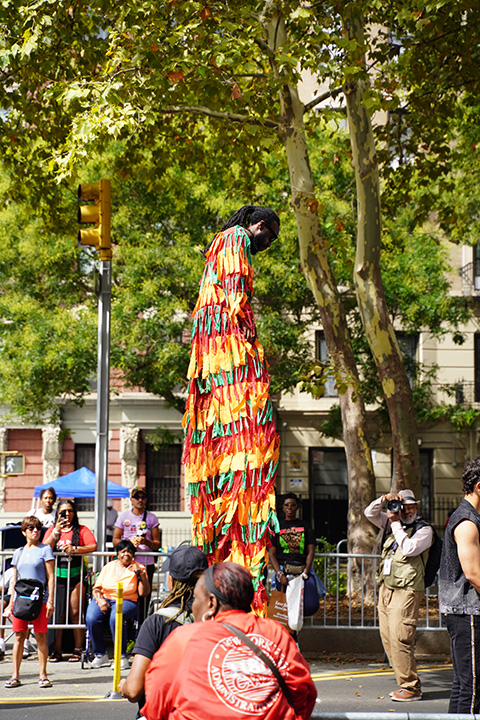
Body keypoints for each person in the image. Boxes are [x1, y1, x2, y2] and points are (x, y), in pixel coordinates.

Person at [183, 205, 281, 611]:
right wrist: (247, 338)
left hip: (212, 355)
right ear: (257, 225)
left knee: (222, 435)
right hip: (227, 348)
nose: (268, 242)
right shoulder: (237, 239)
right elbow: (236, 290)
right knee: (245, 436)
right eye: (269, 235)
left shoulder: (218, 245)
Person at [142, 562, 317, 720]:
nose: (193, 605)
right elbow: (304, 694)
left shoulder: (183, 639)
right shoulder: (275, 633)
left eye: (196, 598)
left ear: (211, 603)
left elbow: (155, 706)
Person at [119, 545, 208, 712]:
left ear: (171, 581)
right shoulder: (215, 619)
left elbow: (134, 691)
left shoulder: (156, 623)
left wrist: (124, 685)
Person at [364, 489, 433, 702]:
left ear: (417, 507)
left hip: (407, 590)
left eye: (411, 507)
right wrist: (384, 499)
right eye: (404, 507)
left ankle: (410, 687)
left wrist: (395, 523)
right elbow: (369, 513)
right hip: (387, 587)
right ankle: (404, 683)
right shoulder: (391, 523)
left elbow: (410, 548)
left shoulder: (424, 530)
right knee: (387, 639)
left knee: (400, 638)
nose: (407, 511)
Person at [439, 457, 480, 714]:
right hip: (468, 612)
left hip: (462, 611)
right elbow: (473, 573)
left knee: (463, 685)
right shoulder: (467, 522)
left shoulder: (468, 517)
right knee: (472, 688)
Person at [4, 516, 55, 688]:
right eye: (31, 528)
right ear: (24, 531)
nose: (35, 531)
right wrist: (11, 603)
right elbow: (15, 580)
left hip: (40, 599)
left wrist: (50, 600)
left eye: (38, 528)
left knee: (40, 635)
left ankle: (43, 675)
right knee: (19, 636)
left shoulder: (45, 549)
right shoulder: (18, 552)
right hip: (21, 599)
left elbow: (51, 577)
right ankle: (15, 675)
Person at [43, 499, 97, 662]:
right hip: (58, 578)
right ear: (57, 513)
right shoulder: (53, 529)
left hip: (76, 577)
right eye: (63, 512)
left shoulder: (81, 529)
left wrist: (76, 549)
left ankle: (77, 650)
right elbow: (44, 548)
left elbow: (92, 546)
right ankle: (57, 651)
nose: (66, 514)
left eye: (70, 511)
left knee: (75, 613)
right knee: (58, 615)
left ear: (74, 513)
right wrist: (56, 532)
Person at [86, 539, 150, 670]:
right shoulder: (109, 566)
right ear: (118, 554)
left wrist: (141, 574)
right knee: (91, 618)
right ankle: (100, 654)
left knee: (116, 617)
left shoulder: (139, 568)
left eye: (130, 552)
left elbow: (143, 593)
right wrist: (100, 600)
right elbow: (96, 588)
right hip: (104, 598)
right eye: (123, 551)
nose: (126, 554)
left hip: (127, 600)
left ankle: (121, 656)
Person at [113, 486, 161, 625]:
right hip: (127, 563)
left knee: (144, 597)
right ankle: (127, 627)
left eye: (143, 497)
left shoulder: (151, 517)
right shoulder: (123, 517)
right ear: (131, 499)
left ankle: (141, 627)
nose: (140, 500)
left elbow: (157, 544)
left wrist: (146, 542)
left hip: (146, 563)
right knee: (128, 594)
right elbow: (115, 540)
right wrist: (128, 543)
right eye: (137, 497)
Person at [269, 493, 316, 589]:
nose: (289, 507)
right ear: (283, 507)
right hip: (282, 568)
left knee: (315, 593)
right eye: (286, 505)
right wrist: (279, 574)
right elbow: (272, 553)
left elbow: (311, 551)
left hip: (302, 568)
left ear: (297, 507)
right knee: (280, 597)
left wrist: (305, 572)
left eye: (293, 505)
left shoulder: (305, 525)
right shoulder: (277, 527)